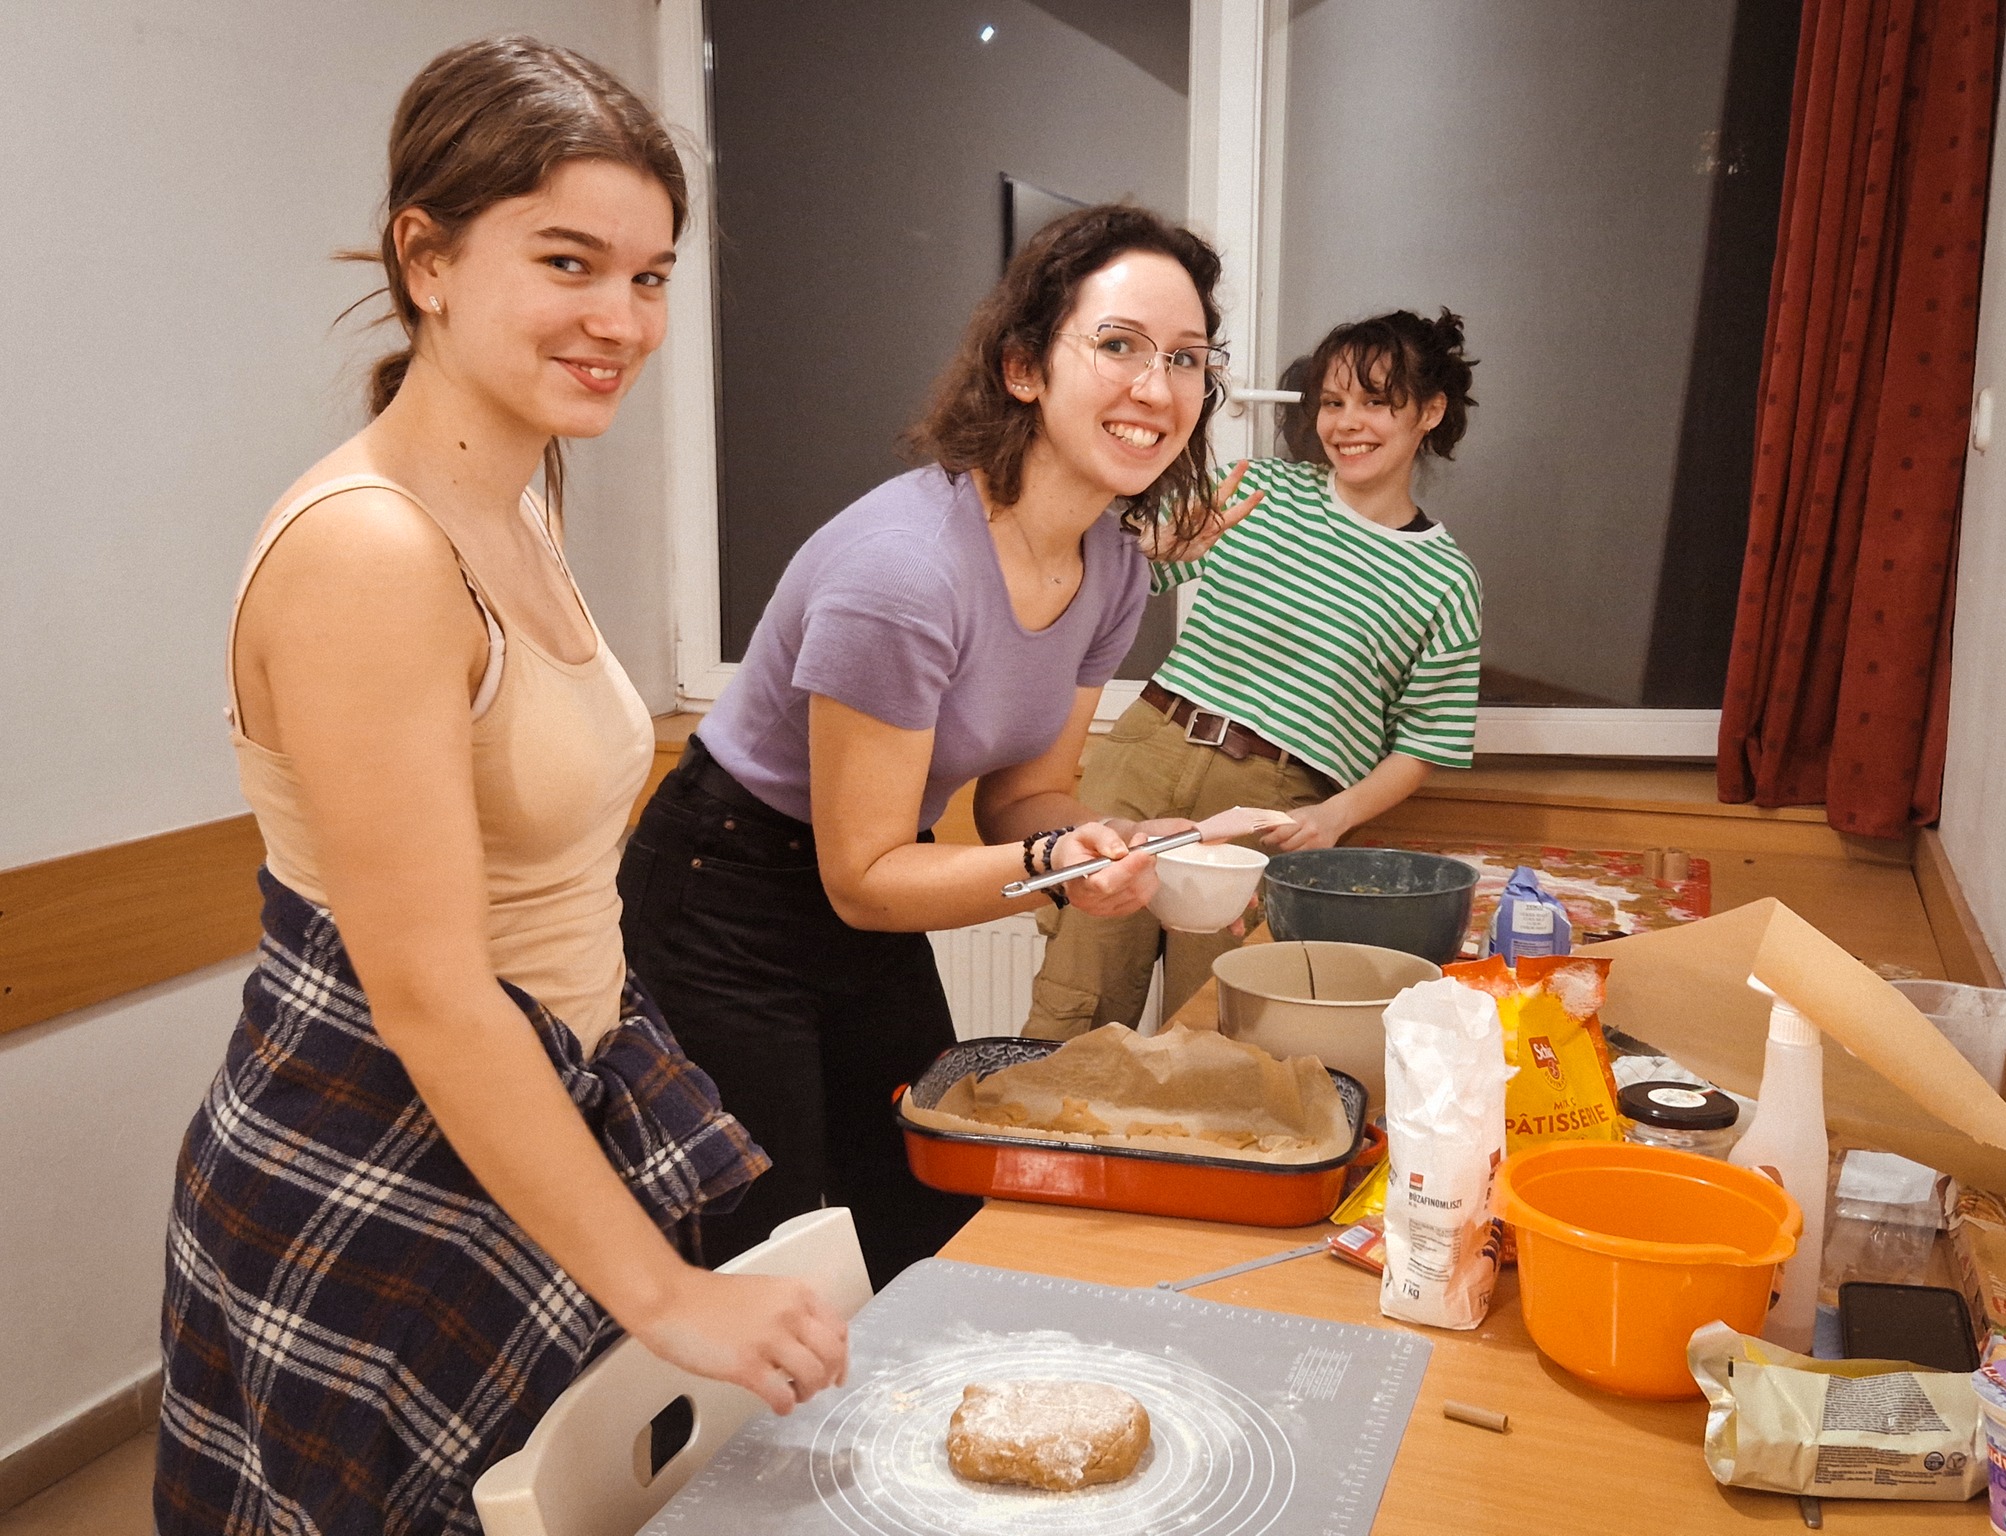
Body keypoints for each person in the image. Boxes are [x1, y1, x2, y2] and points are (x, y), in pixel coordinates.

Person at [156, 38, 846, 1536]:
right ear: (428, 258)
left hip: (529, 1136)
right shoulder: (369, 548)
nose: (622, 320)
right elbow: (427, 992)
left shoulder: (515, 500)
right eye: (568, 262)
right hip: (379, 1174)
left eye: (649, 277)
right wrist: (667, 1291)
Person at [621, 205, 1258, 1286]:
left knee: (924, 1209)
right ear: (1022, 367)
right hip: (724, 892)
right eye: (1118, 345)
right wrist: (1055, 868)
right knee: (768, 1258)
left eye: (1187, 358)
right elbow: (862, 878)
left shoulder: (1109, 568)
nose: (1157, 388)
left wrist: (1123, 846)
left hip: (878, 879)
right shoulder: (904, 571)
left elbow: (1025, 796)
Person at [1026, 308, 1483, 1038]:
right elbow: (1105, 582)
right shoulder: (1258, 490)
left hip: (1268, 806)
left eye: (1375, 401)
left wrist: (1335, 816)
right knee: (1074, 1002)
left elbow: (1426, 741)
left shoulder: (1445, 578)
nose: (1347, 423)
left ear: (1428, 412)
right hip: (1144, 755)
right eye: (1332, 402)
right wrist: (1149, 550)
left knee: (1212, 1030)